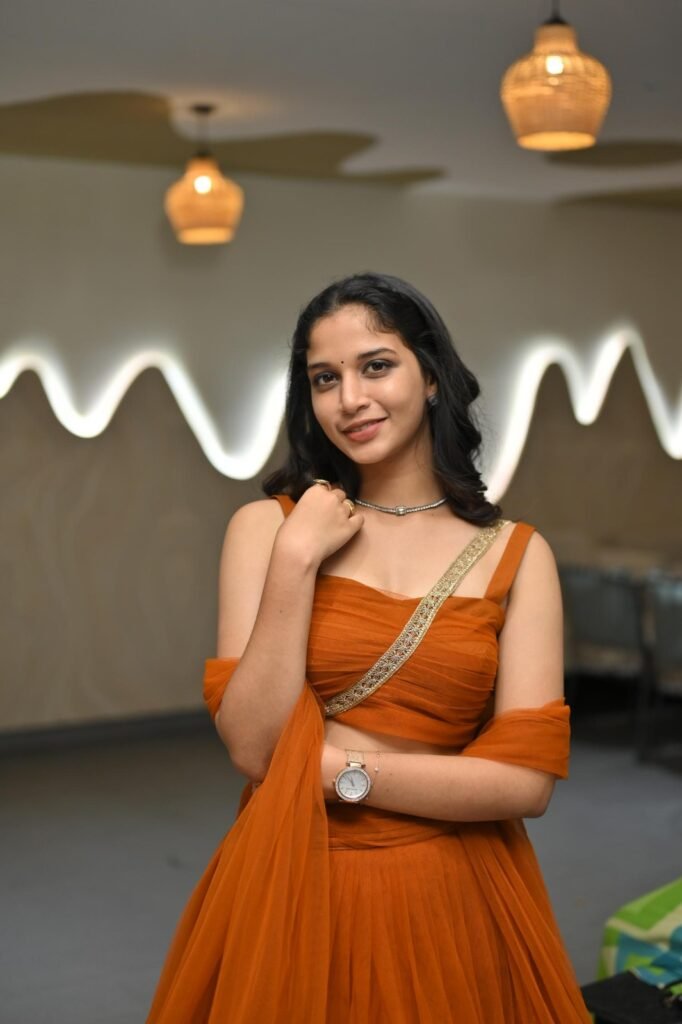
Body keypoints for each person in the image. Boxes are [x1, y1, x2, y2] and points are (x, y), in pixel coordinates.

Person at [147, 272, 590, 1023]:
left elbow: (525, 786)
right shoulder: (268, 530)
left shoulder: (516, 554)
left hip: (454, 887)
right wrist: (297, 558)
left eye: (376, 366)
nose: (349, 398)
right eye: (325, 378)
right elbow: (253, 747)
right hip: (291, 876)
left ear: (432, 377)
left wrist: (333, 772)